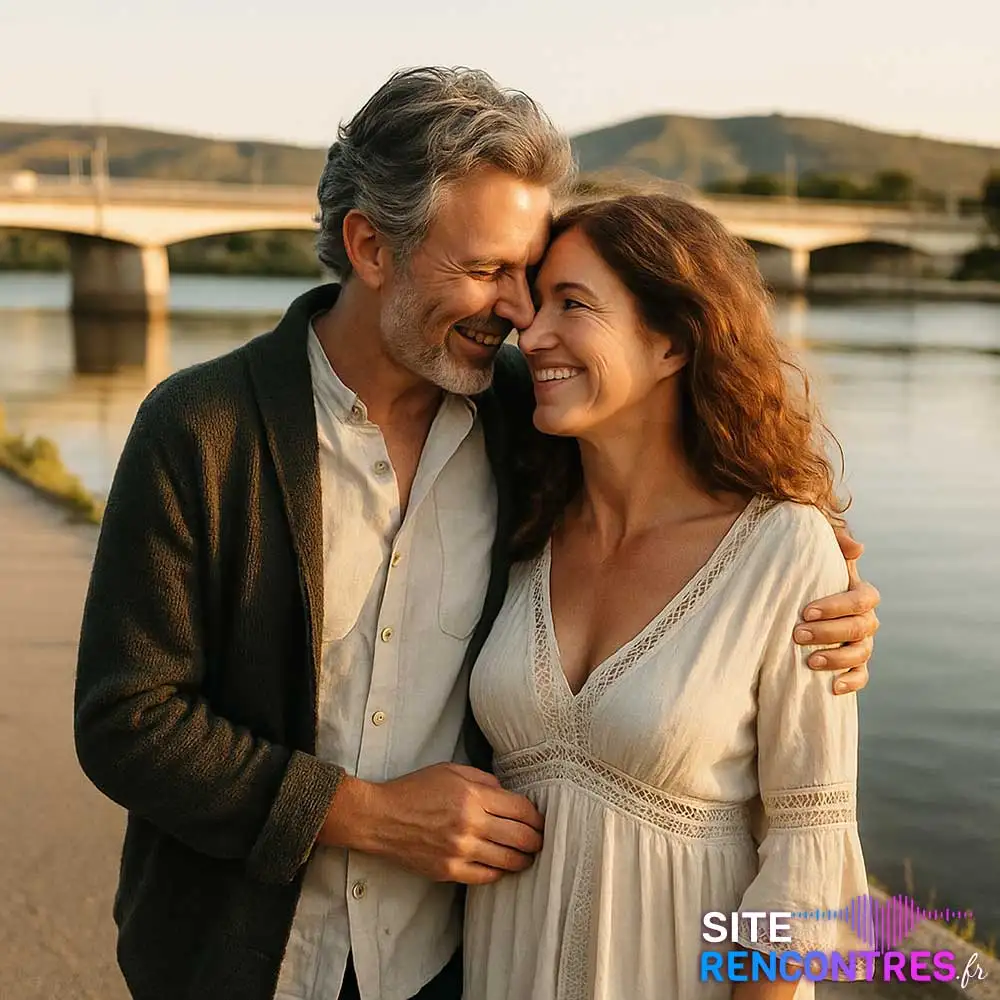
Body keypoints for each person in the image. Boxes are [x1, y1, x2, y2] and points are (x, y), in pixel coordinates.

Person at [73, 68, 879, 1000]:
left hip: (444, 971)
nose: (519, 315)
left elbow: (700, 543)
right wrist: (364, 815)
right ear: (371, 246)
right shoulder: (201, 426)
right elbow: (125, 719)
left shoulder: (523, 433)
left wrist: (816, 588)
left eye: (534, 281)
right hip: (233, 965)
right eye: (488, 270)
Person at [463, 193, 872, 1000]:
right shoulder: (517, 525)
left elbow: (804, 853)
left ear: (673, 342)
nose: (532, 333)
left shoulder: (782, 550)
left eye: (572, 304)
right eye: (536, 304)